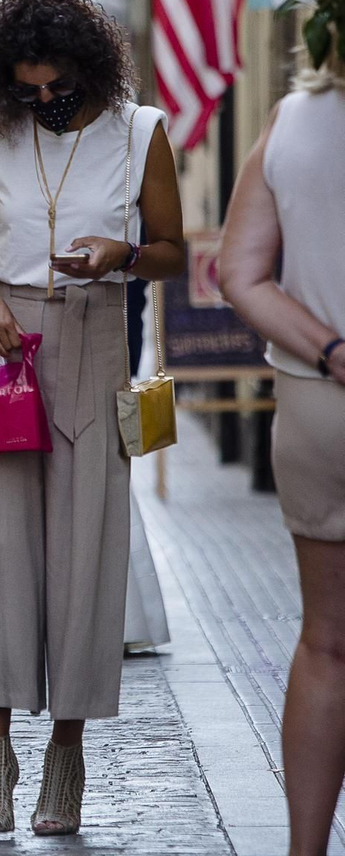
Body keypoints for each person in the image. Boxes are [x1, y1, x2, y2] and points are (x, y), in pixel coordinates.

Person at [0, 0, 186, 836]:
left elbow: (174, 252)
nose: (42, 98)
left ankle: (65, 756)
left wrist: (122, 254)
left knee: (85, 551)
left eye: (59, 86)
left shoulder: (141, 131)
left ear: (89, 68)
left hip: (93, 336)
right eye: (26, 85)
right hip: (3, 344)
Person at [219, 60, 345, 856]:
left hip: (316, 405)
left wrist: (331, 349)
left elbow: (237, 272)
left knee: (327, 640)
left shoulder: (294, 120)